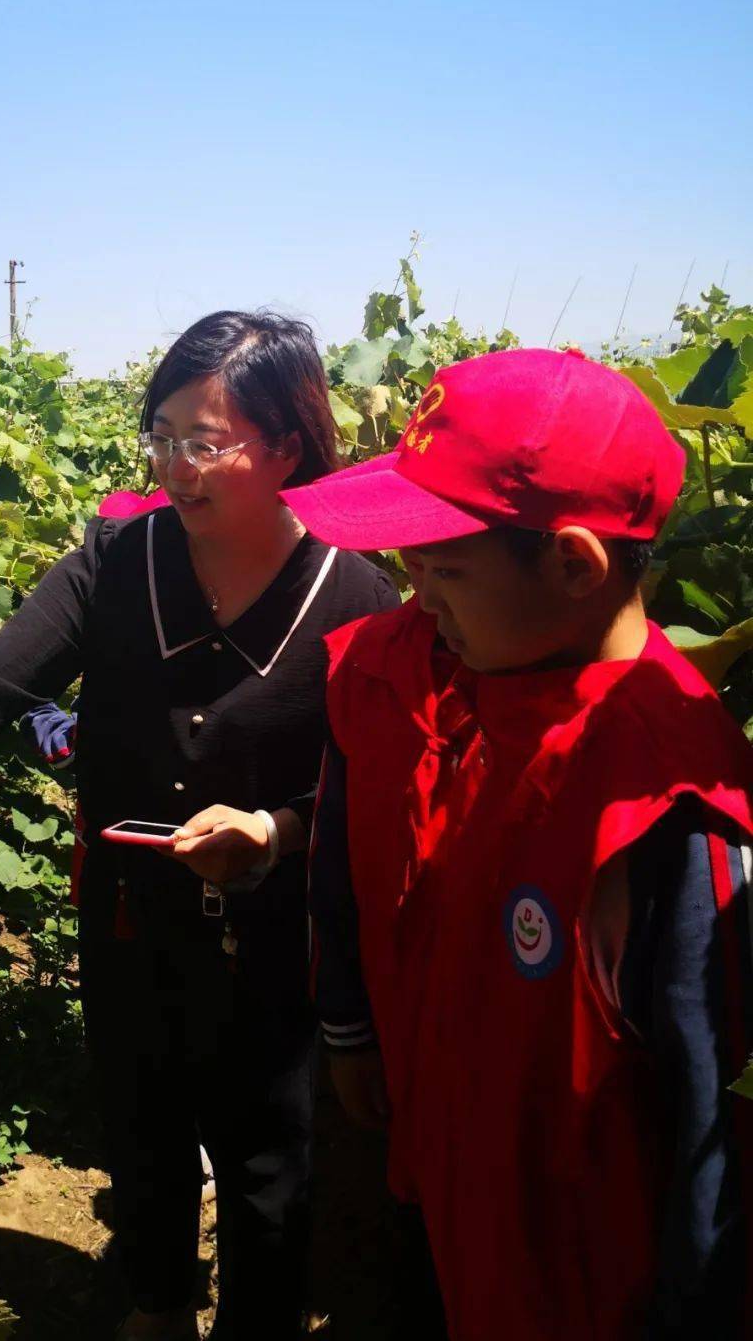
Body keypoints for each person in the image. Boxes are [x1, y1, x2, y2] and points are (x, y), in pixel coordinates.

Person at [0, 311, 399, 1341]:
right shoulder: (116, 561)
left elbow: (366, 790)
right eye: (159, 436)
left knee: (268, 1157)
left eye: (203, 440)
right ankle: (155, 1304)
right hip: (127, 917)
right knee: (144, 1127)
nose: (174, 466)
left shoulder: (355, 597)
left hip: (275, 943)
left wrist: (276, 832)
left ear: (288, 442)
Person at [289, 348, 753, 1340]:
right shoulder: (500, 697)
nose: (416, 596)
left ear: (575, 563)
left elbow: (717, 1154)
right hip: (485, 1244)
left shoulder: (662, 805)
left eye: (444, 567)